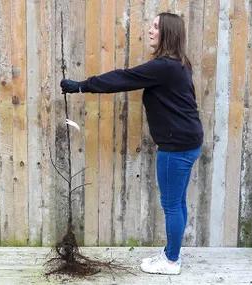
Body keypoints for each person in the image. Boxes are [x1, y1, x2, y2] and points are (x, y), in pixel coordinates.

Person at [60, 12, 203, 275]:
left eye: (156, 27)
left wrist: (80, 86)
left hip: (177, 146)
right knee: (178, 203)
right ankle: (172, 253)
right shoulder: (179, 64)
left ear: (168, 34)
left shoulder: (165, 67)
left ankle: (171, 261)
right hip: (187, 141)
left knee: (172, 205)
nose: (150, 30)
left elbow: (122, 78)